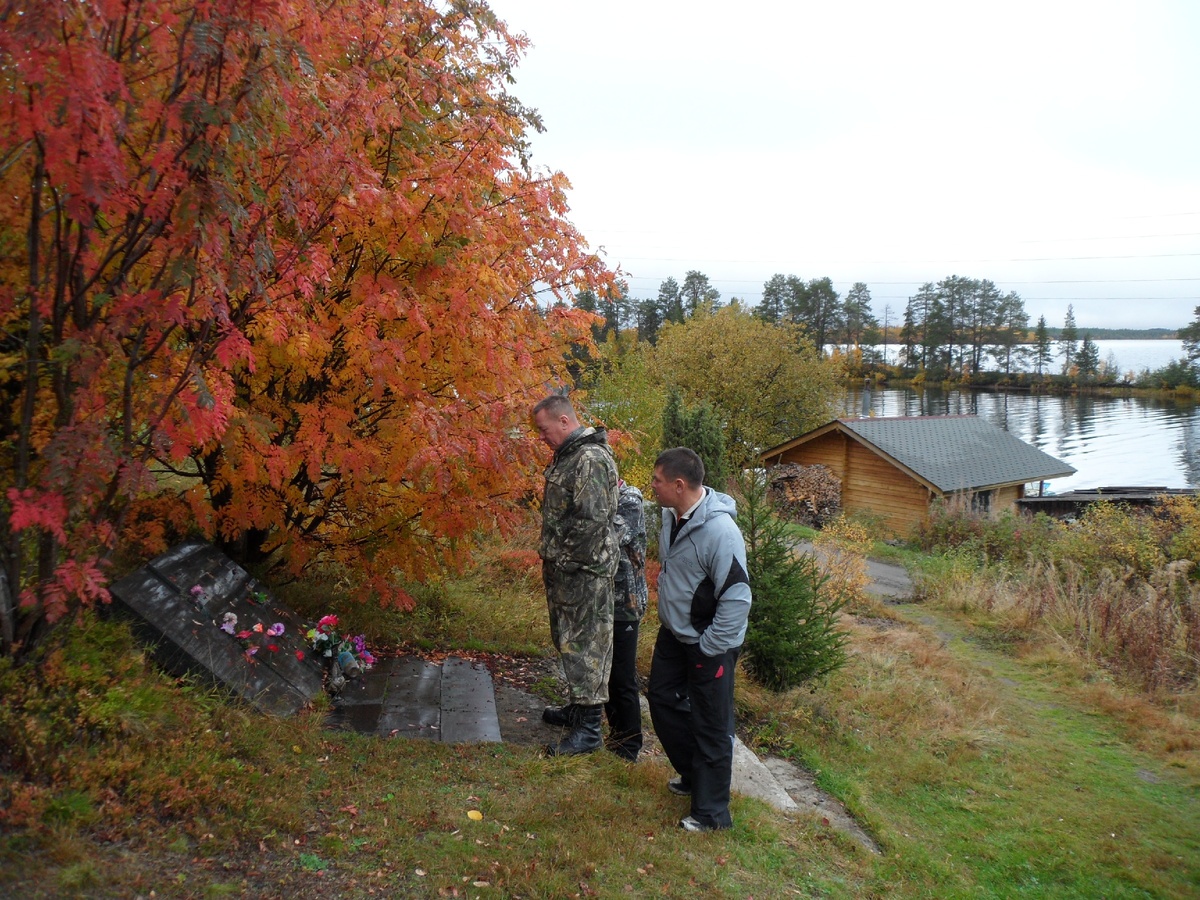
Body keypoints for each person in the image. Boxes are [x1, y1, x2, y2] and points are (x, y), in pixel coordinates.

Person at [647, 447, 751, 832]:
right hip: (674, 635)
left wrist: (709, 647)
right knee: (661, 700)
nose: (652, 487)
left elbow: (738, 597)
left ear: (678, 484)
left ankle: (712, 814)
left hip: (711, 643)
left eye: (656, 481)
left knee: (711, 723)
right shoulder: (670, 516)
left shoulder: (722, 532)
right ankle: (694, 775)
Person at [532, 394, 619, 756]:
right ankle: (578, 709)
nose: (542, 437)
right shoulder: (569, 457)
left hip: (584, 572)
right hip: (566, 570)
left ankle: (589, 730)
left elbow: (591, 523)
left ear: (564, 422)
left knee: (587, 647)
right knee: (568, 641)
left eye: (544, 429)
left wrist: (561, 559)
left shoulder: (590, 459)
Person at [543, 479, 647, 763]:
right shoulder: (596, 500)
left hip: (623, 604)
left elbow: (603, 538)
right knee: (586, 661)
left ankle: (627, 743)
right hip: (592, 599)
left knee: (620, 675)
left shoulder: (629, 500)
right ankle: (579, 711)